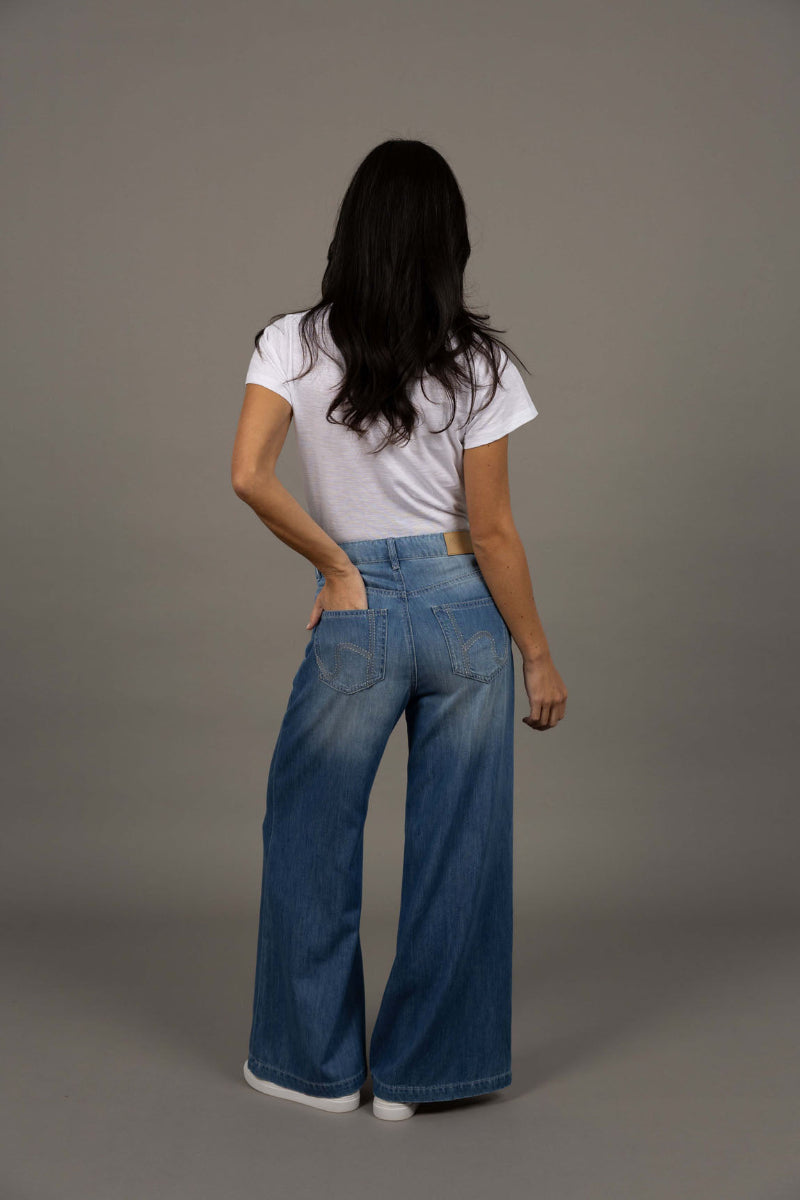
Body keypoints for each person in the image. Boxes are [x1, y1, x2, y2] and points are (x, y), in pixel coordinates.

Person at [230, 138, 567, 1122]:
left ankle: (311, 1070)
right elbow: (493, 530)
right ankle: (421, 1078)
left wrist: (335, 565)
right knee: (458, 849)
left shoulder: (290, 342)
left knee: (307, 834)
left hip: (357, 615)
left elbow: (249, 475)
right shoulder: (479, 365)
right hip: (464, 609)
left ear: (351, 232)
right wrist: (536, 654)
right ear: (447, 246)